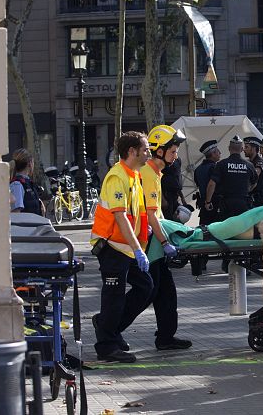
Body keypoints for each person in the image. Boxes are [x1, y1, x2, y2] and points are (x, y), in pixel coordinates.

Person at [90, 132, 153, 363]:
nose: (149, 153)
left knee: (146, 287)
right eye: (145, 149)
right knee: (113, 298)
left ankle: (109, 328)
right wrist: (138, 249)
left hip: (125, 247)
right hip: (112, 246)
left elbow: (136, 214)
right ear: (132, 151)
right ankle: (106, 346)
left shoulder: (133, 175)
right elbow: (120, 217)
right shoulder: (117, 176)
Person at [138, 125, 194, 351]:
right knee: (147, 292)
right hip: (151, 243)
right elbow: (151, 216)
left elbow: (157, 214)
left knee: (166, 293)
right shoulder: (149, 174)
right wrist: (164, 242)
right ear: (159, 150)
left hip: (155, 242)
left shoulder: (156, 173)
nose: (176, 154)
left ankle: (166, 337)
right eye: (173, 150)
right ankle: (107, 324)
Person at [206, 136, 257, 272]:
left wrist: (208, 201)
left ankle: (227, 261)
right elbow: (254, 182)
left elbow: (212, 184)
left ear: (229, 149)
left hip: (226, 204)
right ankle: (245, 261)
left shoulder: (221, 165)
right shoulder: (249, 165)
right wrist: (246, 190)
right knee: (244, 232)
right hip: (243, 203)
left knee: (227, 231)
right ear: (241, 149)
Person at [9, 148, 45, 216]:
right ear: (30, 164)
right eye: (33, 162)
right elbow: (16, 214)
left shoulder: (28, 183)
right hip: (26, 226)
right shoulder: (17, 184)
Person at [194, 140, 221, 226]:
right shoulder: (215, 167)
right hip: (215, 206)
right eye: (217, 151)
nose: (220, 153)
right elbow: (214, 184)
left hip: (204, 208)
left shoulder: (197, 169)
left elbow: (198, 184)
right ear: (213, 154)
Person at [161, 155, 188, 223]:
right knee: (168, 218)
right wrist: (163, 199)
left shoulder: (178, 160)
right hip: (166, 194)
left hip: (175, 195)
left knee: (179, 217)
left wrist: (182, 197)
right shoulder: (163, 160)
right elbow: (157, 179)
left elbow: (177, 179)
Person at [244, 136, 263, 207]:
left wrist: (246, 190)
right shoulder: (249, 162)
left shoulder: (260, 162)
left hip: (259, 200)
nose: (244, 149)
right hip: (252, 199)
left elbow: (255, 175)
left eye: (246, 147)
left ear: (253, 149)